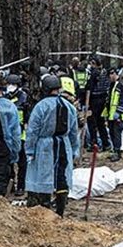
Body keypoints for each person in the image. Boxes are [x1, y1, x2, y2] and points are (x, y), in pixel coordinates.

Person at [25, 74, 80, 216]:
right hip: (64, 145)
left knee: (44, 176)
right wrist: (74, 149)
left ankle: (45, 208)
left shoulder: (41, 107)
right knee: (61, 176)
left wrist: (29, 150)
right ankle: (60, 210)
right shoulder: (69, 106)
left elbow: (32, 131)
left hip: (45, 146)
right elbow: (74, 131)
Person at [6, 75, 32, 196]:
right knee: (8, 162)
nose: (10, 87)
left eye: (13, 84)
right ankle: (10, 183)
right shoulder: (4, 97)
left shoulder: (23, 98)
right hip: (7, 135)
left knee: (22, 163)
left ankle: (21, 186)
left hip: (21, 134)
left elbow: (27, 116)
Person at [103, 67, 123, 162]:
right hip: (111, 115)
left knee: (117, 134)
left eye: (111, 74)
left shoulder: (120, 85)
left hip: (118, 116)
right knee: (112, 134)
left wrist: (119, 112)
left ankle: (118, 153)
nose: (110, 77)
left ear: (115, 73)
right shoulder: (112, 85)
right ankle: (114, 150)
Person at [84, 58, 111, 152]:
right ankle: (105, 144)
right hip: (103, 100)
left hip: (95, 100)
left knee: (92, 123)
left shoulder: (95, 74)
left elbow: (89, 87)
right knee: (101, 123)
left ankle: (94, 143)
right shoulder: (105, 73)